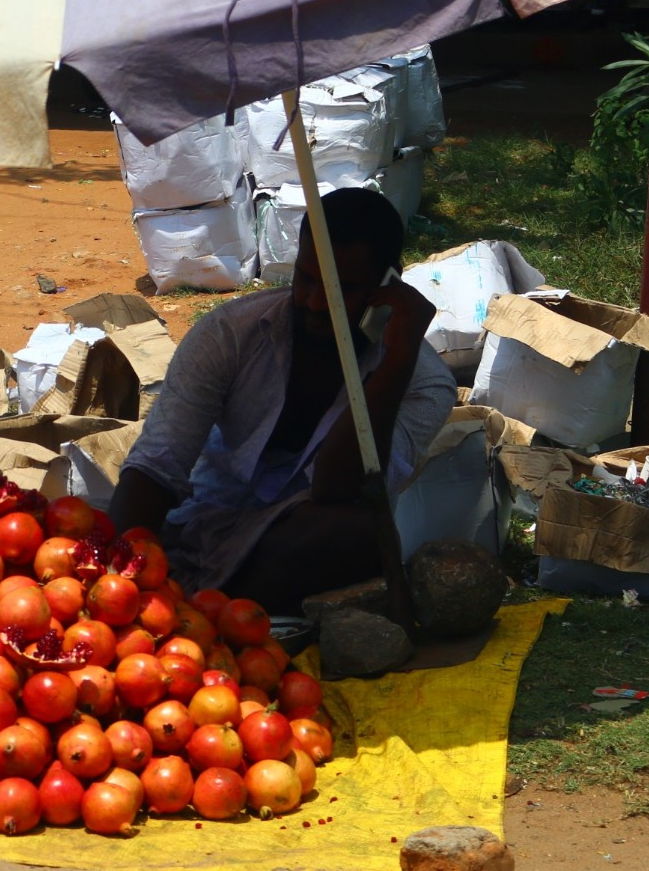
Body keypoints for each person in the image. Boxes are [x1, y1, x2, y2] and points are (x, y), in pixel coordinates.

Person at [108, 188, 455, 615]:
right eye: (306, 279)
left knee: (359, 534)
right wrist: (119, 573)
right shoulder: (229, 334)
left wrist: (394, 365)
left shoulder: (422, 383)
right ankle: (201, 608)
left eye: (340, 289)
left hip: (298, 542)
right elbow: (157, 464)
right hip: (203, 527)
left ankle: (202, 613)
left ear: (389, 285)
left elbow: (339, 486)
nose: (314, 302)